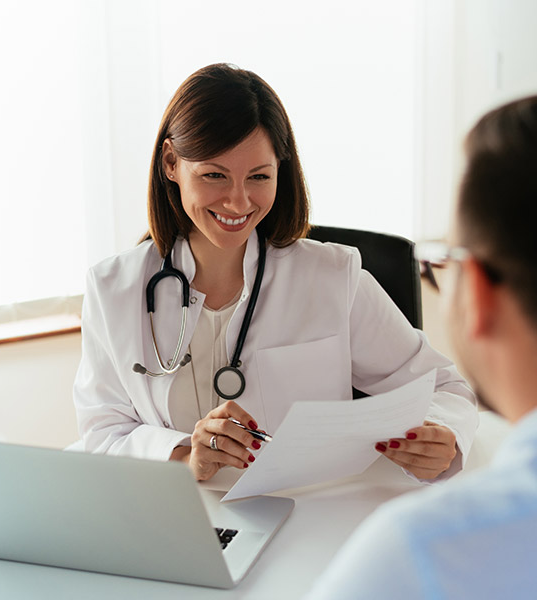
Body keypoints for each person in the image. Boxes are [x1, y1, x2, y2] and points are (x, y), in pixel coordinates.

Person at [73, 63, 477, 483]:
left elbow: (444, 389)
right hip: (182, 517)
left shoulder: (334, 278)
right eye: (214, 175)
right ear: (172, 163)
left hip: (305, 512)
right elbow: (104, 432)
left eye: (259, 177)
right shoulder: (111, 290)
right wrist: (184, 457)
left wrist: (442, 435)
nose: (238, 201)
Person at [306, 95, 537, 599]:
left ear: (474, 289)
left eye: (443, 261)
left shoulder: (423, 550)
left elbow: (440, 385)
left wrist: (444, 436)